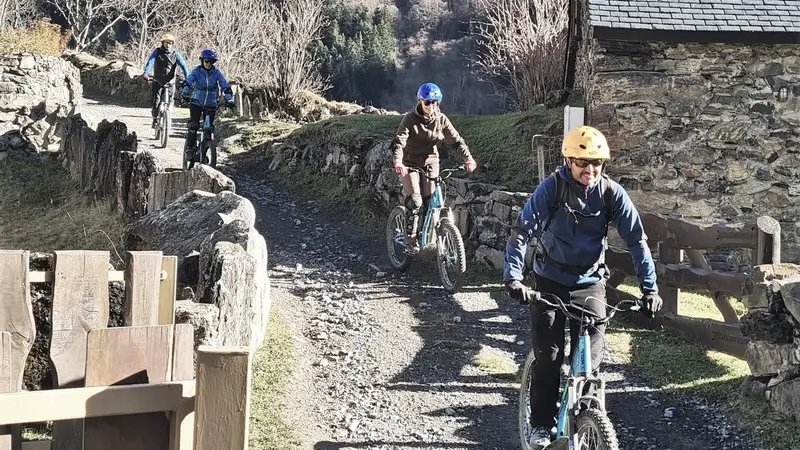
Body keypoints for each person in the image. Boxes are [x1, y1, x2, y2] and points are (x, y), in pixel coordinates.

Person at [502, 125, 663, 448]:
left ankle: (588, 424)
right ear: (568, 161)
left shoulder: (610, 193)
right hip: (549, 280)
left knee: (589, 361)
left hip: (590, 284)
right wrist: (514, 277)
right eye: (582, 163)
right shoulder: (553, 188)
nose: (589, 170)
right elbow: (523, 231)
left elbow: (637, 242)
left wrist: (650, 289)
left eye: (596, 164)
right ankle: (540, 425)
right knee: (549, 357)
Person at [391, 82, 477, 254]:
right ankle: (411, 239)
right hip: (409, 163)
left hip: (431, 162)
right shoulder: (409, 119)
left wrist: (468, 158)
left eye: (435, 102)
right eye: (427, 102)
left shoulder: (442, 119)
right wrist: (398, 162)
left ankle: (429, 233)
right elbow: (399, 142)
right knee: (415, 200)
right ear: (421, 102)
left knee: (431, 200)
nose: (431, 106)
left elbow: (456, 141)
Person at [180, 49, 234, 163]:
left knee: (208, 128)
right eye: (206, 61)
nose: (208, 64)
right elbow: (188, 81)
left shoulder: (217, 73)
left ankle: (206, 148)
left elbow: (224, 85)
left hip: (211, 104)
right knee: (194, 125)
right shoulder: (197, 71)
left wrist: (229, 98)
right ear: (202, 61)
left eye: (211, 62)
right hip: (196, 102)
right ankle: (189, 149)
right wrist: (185, 92)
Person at [142, 33, 190, 128]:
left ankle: (168, 116)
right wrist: (146, 73)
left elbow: (184, 66)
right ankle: (155, 118)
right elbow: (150, 62)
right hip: (157, 80)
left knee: (171, 100)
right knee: (156, 101)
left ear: (172, 44)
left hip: (170, 81)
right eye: (166, 43)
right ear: (162, 43)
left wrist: (188, 78)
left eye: (170, 43)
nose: (168, 45)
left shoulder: (176, 54)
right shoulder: (157, 51)